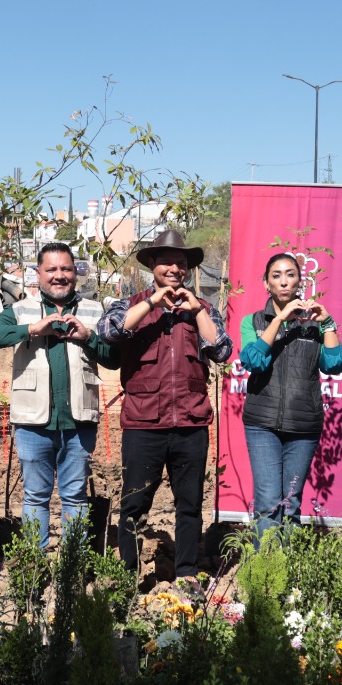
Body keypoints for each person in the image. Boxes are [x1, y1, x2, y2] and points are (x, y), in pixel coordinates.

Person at [98, 230, 232, 588]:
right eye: (168, 262)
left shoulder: (202, 309)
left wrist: (197, 309)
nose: (175, 269)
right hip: (144, 425)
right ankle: (126, 578)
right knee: (133, 506)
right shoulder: (130, 304)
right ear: (153, 265)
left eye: (182, 263)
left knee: (189, 506)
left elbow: (221, 351)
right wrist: (153, 303)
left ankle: (186, 573)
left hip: (191, 424)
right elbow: (109, 332)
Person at [0, 242, 118, 548]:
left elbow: (113, 357)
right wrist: (33, 328)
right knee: (36, 497)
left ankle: (73, 567)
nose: (59, 276)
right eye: (51, 269)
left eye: (66, 269)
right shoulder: (20, 310)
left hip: (79, 422)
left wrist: (89, 336)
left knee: (75, 497)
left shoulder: (93, 310)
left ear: (75, 274)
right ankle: (34, 567)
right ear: (38, 274)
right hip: (32, 423)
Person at [238, 252, 342, 540]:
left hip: (304, 426)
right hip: (262, 424)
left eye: (290, 275)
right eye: (276, 275)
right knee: (268, 502)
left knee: (292, 503)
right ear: (266, 284)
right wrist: (280, 320)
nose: (284, 281)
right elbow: (254, 361)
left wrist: (328, 323)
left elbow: (333, 364)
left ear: (301, 281)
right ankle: (267, 575)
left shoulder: (314, 325)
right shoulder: (253, 321)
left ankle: (290, 575)